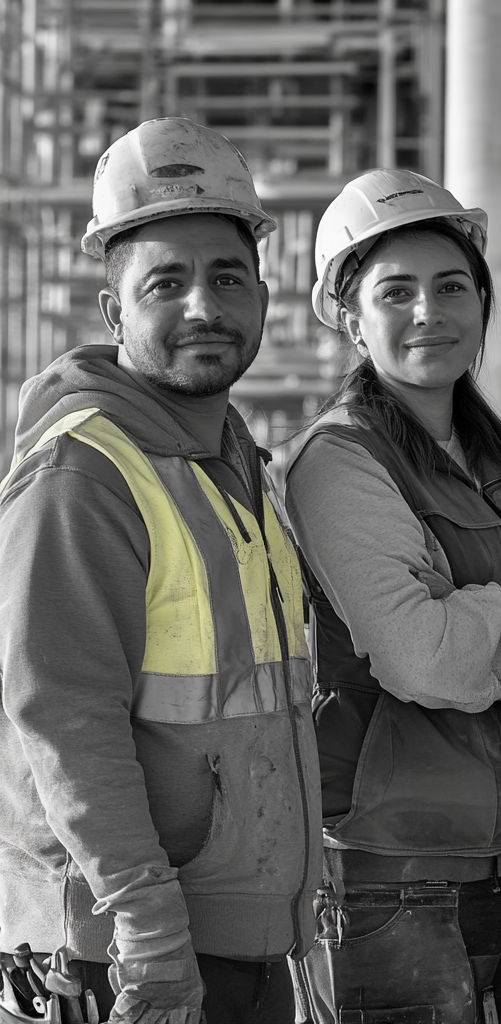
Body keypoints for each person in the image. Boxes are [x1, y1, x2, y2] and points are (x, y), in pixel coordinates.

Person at [284, 168, 501, 1024]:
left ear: (483, 301)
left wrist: (461, 609)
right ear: (351, 317)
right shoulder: (338, 464)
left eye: (451, 287)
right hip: (388, 881)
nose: (427, 312)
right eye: (394, 292)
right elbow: (422, 660)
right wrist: (500, 624)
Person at [0, 118, 321, 1024]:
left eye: (226, 279)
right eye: (165, 283)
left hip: (235, 935)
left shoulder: (228, 461)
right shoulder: (86, 472)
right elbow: (63, 721)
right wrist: (148, 934)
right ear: (114, 313)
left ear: (262, 296)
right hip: (128, 956)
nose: (201, 307)